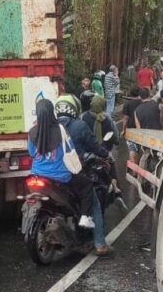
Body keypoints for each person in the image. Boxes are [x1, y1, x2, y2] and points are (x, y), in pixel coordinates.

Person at [54, 94, 113, 256]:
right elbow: (94, 146)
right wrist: (104, 153)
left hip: (49, 175)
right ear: (74, 109)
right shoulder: (79, 126)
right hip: (72, 173)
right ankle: (100, 244)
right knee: (93, 203)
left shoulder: (49, 126)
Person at [27, 99, 96, 229]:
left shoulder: (32, 132)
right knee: (86, 184)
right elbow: (70, 149)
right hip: (60, 176)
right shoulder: (61, 130)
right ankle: (85, 217)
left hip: (36, 175)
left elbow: (31, 152)